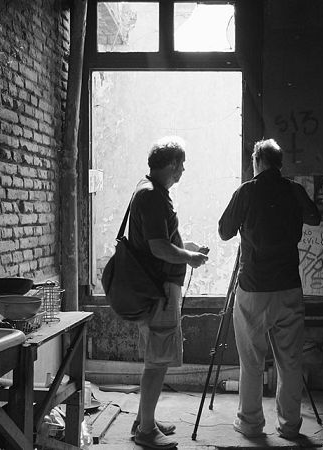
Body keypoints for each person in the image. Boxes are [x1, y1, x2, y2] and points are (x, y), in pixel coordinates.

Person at [218, 138, 321, 439]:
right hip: (288, 287)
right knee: (289, 362)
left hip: (253, 288)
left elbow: (224, 232)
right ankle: (290, 427)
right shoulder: (293, 189)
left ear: (257, 161)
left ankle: (250, 424)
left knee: (251, 361)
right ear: (279, 163)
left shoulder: (247, 191)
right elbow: (315, 217)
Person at [129, 136, 209, 449]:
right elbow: (159, 247)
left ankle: (143, 419)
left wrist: (184, 247)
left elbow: (159, 243)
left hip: (154, 289)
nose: (184, 171)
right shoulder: (152, 196)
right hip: (158, 292)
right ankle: (146, 432)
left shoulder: (148, 191)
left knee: (155, 358)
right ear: (172, 164)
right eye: (182, 165)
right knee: (157, 361)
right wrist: (189, 257)